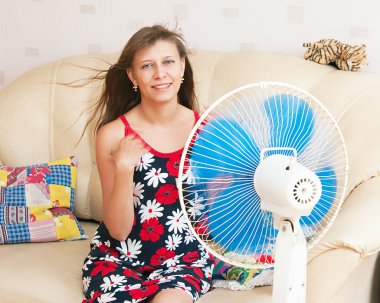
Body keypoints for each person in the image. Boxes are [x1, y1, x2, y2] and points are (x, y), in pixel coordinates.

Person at [81, 25, 214, 303]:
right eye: (147, 66)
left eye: (168, 62)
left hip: (184, 258)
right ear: (132, 75)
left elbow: (217, 212)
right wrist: (124, 167)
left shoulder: (206, 130)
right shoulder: (114, 134)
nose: (160, 74)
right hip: (118, 260)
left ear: (182, 67)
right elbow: (117, 230)